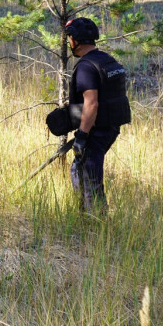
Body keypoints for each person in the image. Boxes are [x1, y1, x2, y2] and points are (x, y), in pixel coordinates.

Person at [65, 16, 130, 215]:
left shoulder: (86, 67)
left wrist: (82, 137)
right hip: (110, 127)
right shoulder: (106, 60)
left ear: (75, 40)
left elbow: (91, 103)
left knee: (89, 176)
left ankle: (96, 223)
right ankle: (84, 215)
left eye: (70, 38)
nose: (69, 42)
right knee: (79, 169)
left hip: (96, 130)